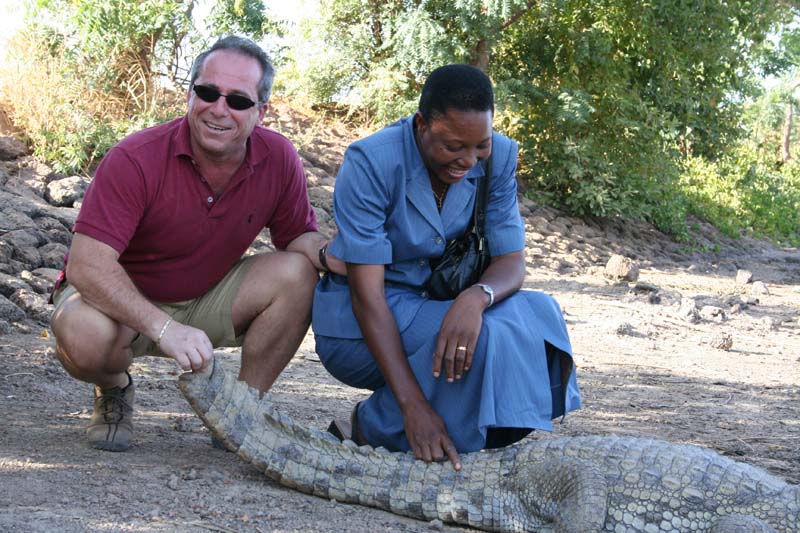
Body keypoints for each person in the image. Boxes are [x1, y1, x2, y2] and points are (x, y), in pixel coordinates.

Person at [50, 36, 339, 452]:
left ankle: (240, 410)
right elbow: (86, 264)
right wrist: (163, 328)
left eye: (238, 101)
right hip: (115, 304)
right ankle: (113, 388)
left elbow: (296, 237)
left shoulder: (278, 157)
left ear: (262, 111)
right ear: (190, 94)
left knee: (299, 273)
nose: (219, 109)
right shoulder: (135, 158)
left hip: (203, 296)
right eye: (207, 92)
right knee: (83, 333)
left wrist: (333, 256)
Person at [312, 64, 581, 470]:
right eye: (454, 146)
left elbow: (512, 260)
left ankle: (469, 439)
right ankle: (374, 427)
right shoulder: (370, 161)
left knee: (541, 315)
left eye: (480, 147)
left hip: (442, 304)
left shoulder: (501, 157)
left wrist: (476, 297)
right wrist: (412, 405)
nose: (469, 161)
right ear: (422, 124)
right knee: (485, 338)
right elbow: (367, 297)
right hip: (361, 321)